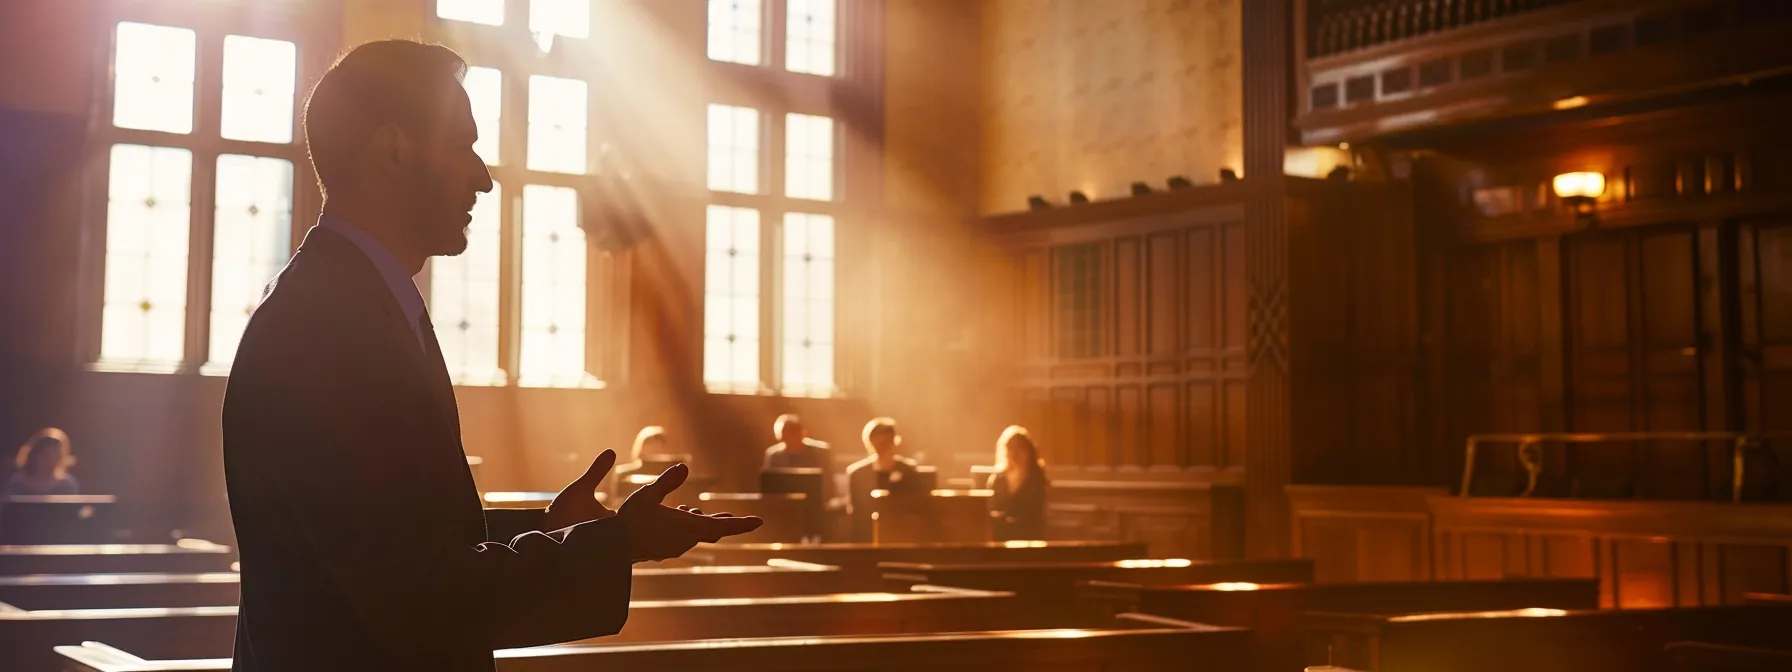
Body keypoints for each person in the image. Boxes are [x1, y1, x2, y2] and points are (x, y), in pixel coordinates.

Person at [221, 40, 759, 672]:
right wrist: (612, 544)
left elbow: (392, 534)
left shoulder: (357, 304)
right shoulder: (326, 327)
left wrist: (563, 530)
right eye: (462, 145)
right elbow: (412, 592)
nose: (483, 176)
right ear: (393, 151)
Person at [844, 417, 920, 542]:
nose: (882, 446)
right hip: (867, 537)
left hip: (902, 536)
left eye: (886, 441)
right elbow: (856, 515)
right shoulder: (858, 474)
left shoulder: (908, 471)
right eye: (877, 441)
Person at [987, 425, 1048, 541]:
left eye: (1019, 449)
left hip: (1027, 535)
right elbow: (991, 506)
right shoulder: (998, 479)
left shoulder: (1036, 478)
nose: (1014, 454)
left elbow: (1034, 512)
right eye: (1010, 449)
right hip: (1001, 536)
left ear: (1029, 452)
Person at [3, 428, 80, 497]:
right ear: (34, 455)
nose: (50, 462)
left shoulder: (66, 485)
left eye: (56, 457)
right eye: (47, 456)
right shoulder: (18, 484)